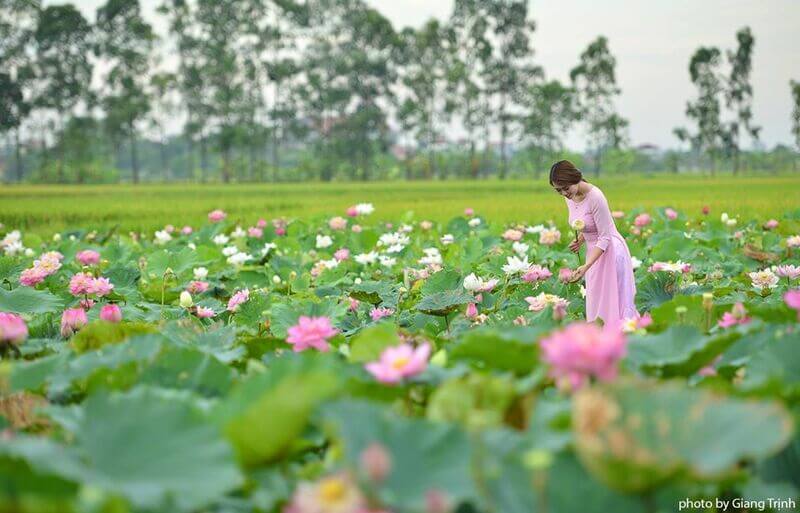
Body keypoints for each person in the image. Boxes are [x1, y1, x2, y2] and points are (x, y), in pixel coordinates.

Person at [549, 160, 639, 329]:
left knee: (612, 302)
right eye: (558, 190)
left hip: (610, 251)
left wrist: (587, 265)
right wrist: (580, 240)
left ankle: (621, 342)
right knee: (596, 301)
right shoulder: (570, 196)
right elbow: (589, 224)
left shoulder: (596, 197)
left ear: (574, 178)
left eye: (565, 188)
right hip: (594, 251)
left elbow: (604, 236)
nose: (563, 193)